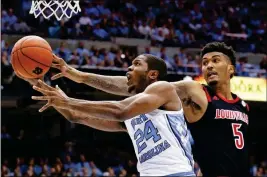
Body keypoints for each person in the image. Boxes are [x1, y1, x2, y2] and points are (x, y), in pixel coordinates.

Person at [45, 42, 249, 176]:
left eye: (215, 61)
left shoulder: (244, 106)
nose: (209, 66)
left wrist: (69, 99)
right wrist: (78, 76)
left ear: (231, 68)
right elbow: (132, 88)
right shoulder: (193, 90)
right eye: (204, 63)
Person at [13, 54, 195, 176]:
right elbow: (75, 116)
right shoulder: (133, 116)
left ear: (153, 74)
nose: (129, 69)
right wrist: (38, 84)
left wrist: (69, 100)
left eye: (137, 64)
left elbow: (120, 110)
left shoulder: (163, 88)